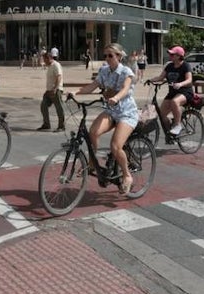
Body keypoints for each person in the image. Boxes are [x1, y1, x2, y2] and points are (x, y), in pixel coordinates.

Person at [71, 43, 137, 195]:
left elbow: (126, 88)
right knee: (93, 132)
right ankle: (93, 163)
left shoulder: (126, 71)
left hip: (127, 112)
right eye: (105, 55)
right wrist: (75, 93)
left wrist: (116, 97)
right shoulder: (104, 71)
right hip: (112, 111)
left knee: (115, 146)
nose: (107, 58)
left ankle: (127, 176)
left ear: (119, 57)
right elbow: (92, 86)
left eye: (110, 55)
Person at [149, 46, 194, 136]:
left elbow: (189, 79)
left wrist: (180, 84)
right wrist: (151, 80)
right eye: (170, 54)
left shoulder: (185, 65)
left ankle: (178, 125)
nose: (170, 55)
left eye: (172, 54)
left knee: (175, 101)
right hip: (172, 92)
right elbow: (161, 77)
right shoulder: (169, 66)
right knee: (162, 115)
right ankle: (170, 132)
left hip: (185, 92)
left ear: (179, 56)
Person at [36, 48, 66, 132]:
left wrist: (55, 88)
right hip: (49, 91)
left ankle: (61, 126)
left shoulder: (56, 65)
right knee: (43, 105)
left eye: (45, 60)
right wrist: (48, 90)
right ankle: (46, 124)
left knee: (59, 108)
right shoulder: (49, 66)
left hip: (56, 90)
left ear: (49, 58)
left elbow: (59, 76)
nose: (44, 62)